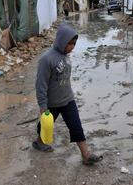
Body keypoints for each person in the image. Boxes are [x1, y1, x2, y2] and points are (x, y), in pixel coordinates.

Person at [33, 24, 103, 166]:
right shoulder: (46, 59)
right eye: (69, 44)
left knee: (76, 126)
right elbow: (41, 84)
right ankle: (38, 142)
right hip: (52, 103)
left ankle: (86, 155)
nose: (72, 47)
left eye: (74, 44)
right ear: (61, 41)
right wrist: (42, 105)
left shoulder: (65, 56)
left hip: (68, 100)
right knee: (46, 126)